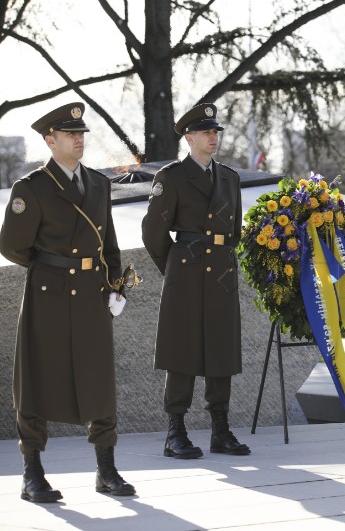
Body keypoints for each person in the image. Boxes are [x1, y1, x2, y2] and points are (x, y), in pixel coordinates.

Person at [0, 103, 135, 502]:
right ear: (50, 140)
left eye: (81, 133)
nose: (79, 139)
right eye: (69, 133)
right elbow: (12, 246)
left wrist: (115, 285)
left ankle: (106, 470)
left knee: (99, 379)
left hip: (93, 295)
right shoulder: (32, 187)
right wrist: (53, 270)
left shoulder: (98, 184)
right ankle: (32, 474)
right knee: (37, 380)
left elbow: (108, 242)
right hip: (50, 295)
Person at [142, 103, 250, 458]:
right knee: (182, 352)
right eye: (205, 132)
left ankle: (220, 430)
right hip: (185, 273)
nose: (212, 137)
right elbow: (153, 233)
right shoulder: (171, 177)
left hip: (221, 273)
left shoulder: (230, 178)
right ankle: (176, 432)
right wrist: (175, 270)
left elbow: (233, 232)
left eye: (215, 131)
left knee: (221, 350)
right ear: (189, 137)